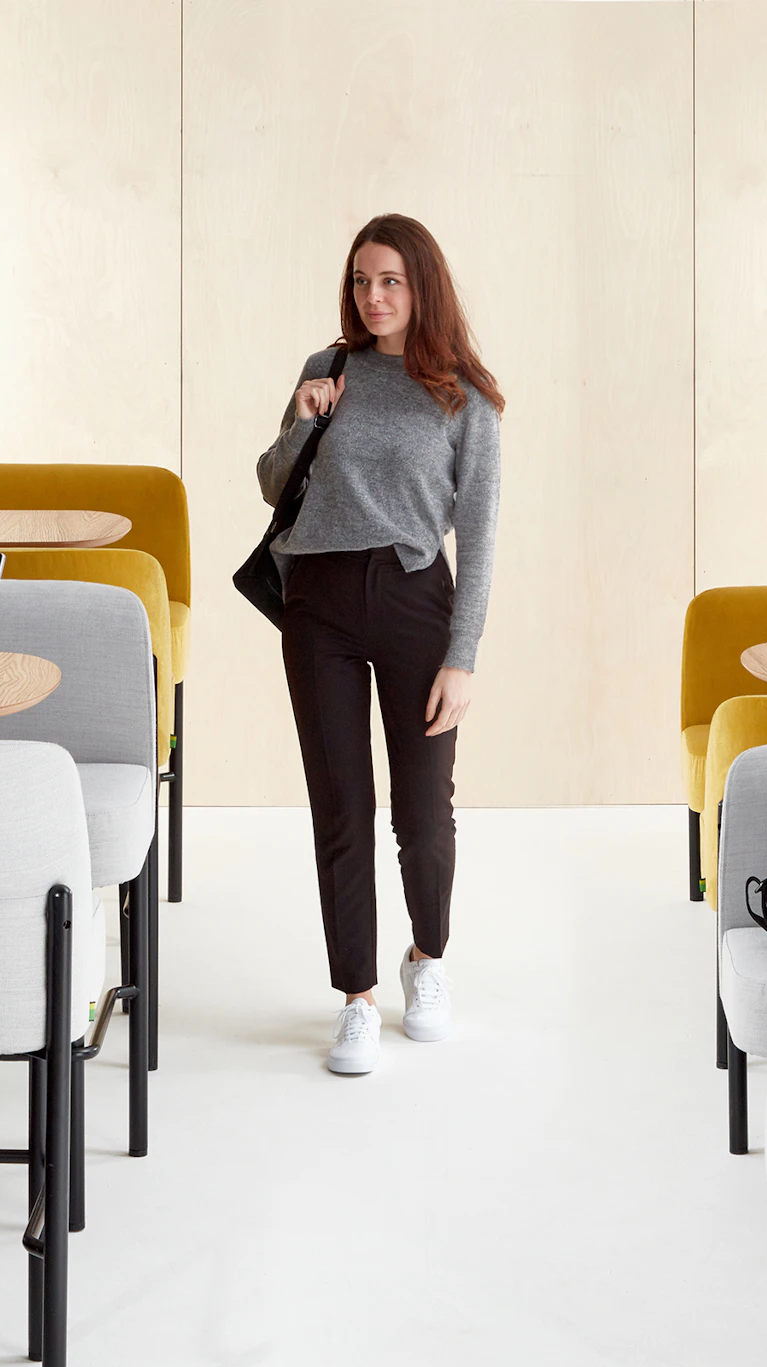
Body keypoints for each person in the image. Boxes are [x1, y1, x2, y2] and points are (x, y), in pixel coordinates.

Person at [256, 214, 502, 1076]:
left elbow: (479, 529)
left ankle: (426, 960)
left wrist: (462, 654)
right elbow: (270, 482)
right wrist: (301, 419)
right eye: (362, 280)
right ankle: (356, 996)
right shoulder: (327, 369)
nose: (374, 296)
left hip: (413, 603)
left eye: (391, 280)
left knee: (423, 814)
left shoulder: (462, 395)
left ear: (421, 285)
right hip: (317, 600)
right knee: (341, 808)